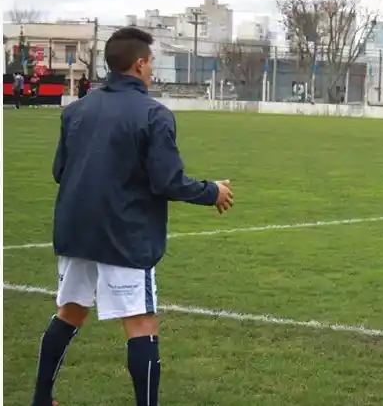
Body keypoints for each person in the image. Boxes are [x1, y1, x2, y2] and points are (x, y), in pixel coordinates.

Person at [30, 27, 234, 406]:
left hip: (75, 230)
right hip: (124, 233)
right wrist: (213, 192)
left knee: (70, 312)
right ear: (139, 64)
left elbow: (61, 171)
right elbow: (168, 181)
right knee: (141, 323)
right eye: (151, 61)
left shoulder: (76, 110)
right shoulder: (154, 114)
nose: (152, 68)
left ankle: (41, 398)